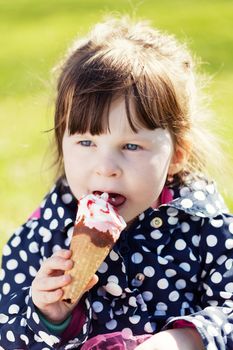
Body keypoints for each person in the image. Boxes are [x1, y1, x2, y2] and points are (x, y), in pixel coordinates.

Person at [0, 16, 233, 350]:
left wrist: (186, 339)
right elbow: (9, 338)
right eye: (86, 143)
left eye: (131, 146)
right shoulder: (42, 236)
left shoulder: (205, 228)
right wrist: (46, 316)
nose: (106, 168)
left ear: (177, 155)